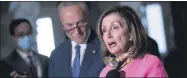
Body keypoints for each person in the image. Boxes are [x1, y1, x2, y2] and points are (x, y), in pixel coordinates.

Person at [97, 6, 168, 77]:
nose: (108, 35)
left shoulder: (150, 63)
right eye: (104, 30)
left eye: (115, 27)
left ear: (131, 33)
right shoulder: (105, 72)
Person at [48, 2, 105, 77]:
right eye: (69, 25)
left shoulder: (105, 47)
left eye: (80, 23)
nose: (77, 31)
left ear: (87, 18)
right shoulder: (56, 55)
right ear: (62, 25)